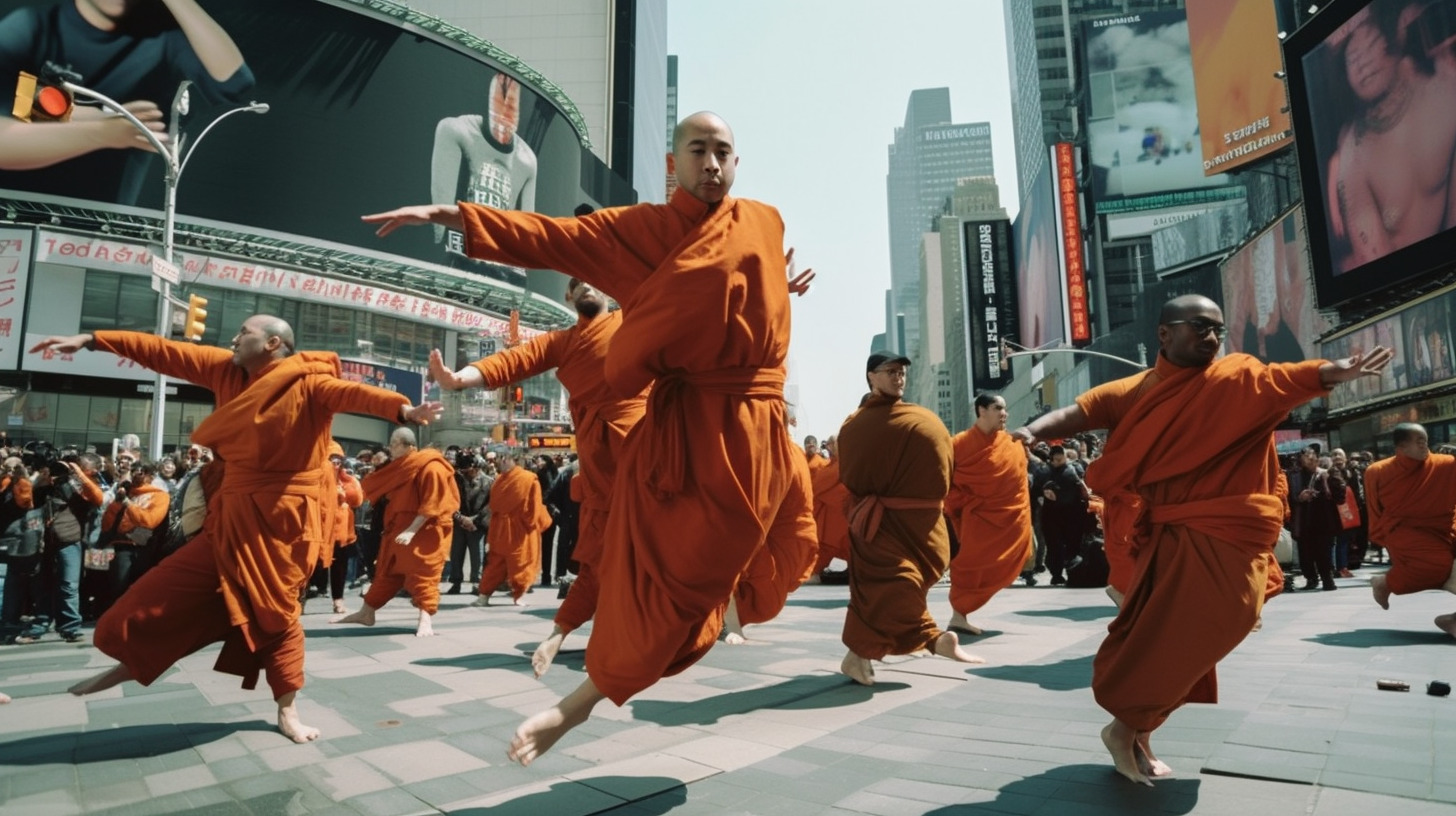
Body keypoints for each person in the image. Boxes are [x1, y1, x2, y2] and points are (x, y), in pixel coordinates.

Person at [363, 110, 817, 766]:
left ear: (737, 163)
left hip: (757, 433)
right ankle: (580, 698)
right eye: (698, 150)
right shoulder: (638, 234)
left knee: (737, 557)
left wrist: (782, 282)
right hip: (680, 439)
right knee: (674, 575)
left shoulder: (762, 223)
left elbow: (746, 299)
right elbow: (550, 239)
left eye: (723, 152)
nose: (712, 164)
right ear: (674, 163)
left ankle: (617, 662)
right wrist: (448, 214)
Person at [1010, 294, 1392, 786]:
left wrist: (1336, 370)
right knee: (1166, 639)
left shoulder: (1237, 378)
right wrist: (1030, 429)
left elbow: (1286, 379)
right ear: (1165, 335)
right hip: (1173, 537)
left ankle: (1132, 726)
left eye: (1216, 329)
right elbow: (1079, 413)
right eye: (1199, 327)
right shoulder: (1136, 390)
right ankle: (1130, 729)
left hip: (1230, 531)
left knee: (1230, 618)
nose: (1211, 338)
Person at [29, 317, 441, 742]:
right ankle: (136, 660)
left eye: (244, 332)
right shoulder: (225, 369)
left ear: (273, 343)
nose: (233, 337)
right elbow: (164, 351)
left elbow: (353, 393)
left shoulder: (308, 381)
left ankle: (288, 710)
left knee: (278, 617)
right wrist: (93, 339)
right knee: (153, 596)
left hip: (285, 524)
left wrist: (403, 409)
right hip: (230, 515)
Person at [429, 276, 647, 670]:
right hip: (600, 470)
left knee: (662, 549)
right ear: (568, 296)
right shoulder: (561, 342)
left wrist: (766, 292)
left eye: (594, 279)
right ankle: (560, 632)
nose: (586, 286)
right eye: (576, 283)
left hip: (646, 456)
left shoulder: (634, 318)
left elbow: (692, 313)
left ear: (609, 289)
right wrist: (460, 378)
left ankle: (647, 631)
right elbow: (514, 360)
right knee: (600, 560)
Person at [0, 0, 256, 204]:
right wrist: (102, 127)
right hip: (13, 213)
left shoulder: (165, 39)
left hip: (97, 230)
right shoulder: (33, 25)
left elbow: (234, 83)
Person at [837, 352, 984, 685]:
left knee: (875, 594)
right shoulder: (855, 426)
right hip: (880, 524)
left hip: (924, 523)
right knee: (897, 583)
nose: (898, 377)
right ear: (871, 377)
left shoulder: (918, 415)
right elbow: (850, 475)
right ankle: (933, 638)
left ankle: (855, 658)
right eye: (890, 371)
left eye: (901, 372)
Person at [1323, 1, 1456, 272]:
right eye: (1353, 59)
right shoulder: (1354, 154)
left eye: (1371, 45)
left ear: (1396, 38)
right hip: (1402, 289)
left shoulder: (1444, 87)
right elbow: (1374, 263)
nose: (1363, 64)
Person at [334, 428, 457, 637]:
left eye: (394, 444)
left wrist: (411, 530)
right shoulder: (403, 467)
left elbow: (433, 503)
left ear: (407, 446)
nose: (390, 448)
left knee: (424, 574)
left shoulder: (431, 466)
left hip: (425, 531)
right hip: (398, 528)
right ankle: (367, 613)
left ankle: (425, 619)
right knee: (387, 572)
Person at [431, 71, 537, 282]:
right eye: (498, 106)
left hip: (499, 265)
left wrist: (518, 273)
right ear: (488, 105)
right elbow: (439, 215)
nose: (504, 117)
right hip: (457, 254)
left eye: (511, 110)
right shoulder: (456, 130)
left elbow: (527, 235)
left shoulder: (527, 160)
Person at [944, 393, 1033, 636]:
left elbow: (1019, 484)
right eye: (998, 408)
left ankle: (959, 616)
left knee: (1010, 561)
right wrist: (964, 503)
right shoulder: (958, 444)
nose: (1005, 413)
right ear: (981, 410)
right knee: (969, 564)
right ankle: (958, 616)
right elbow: (944, 482)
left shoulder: (1013, 443)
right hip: (976, 517)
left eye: (1005, 408)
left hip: (1008, 517)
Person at [1364, 423, 1456, 637]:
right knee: (1437, 564)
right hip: (1404, 531)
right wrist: (1381, 535)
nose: (1425, 447)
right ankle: (1385, 582)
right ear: (1401, 446)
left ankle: (1452, 620)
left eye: (1426, 441)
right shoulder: (1377, 471)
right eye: (1419, 442)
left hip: (1444, 526)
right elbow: (1374, 508)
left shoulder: (1445, 464)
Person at [15, 453, 104, 643]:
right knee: (42, 586)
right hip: (43, 540)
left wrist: (75, 474)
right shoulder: (49, 485)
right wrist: (44, 477)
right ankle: (39, 626)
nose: (70, 468)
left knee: (68, 585)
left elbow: (98, 498)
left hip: (69, 539)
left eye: (80, 465)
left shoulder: (83, 486)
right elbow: (28, 498)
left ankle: (70, 627)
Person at [471, 451, 550, 607]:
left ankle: (517, 595)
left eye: (505, 459)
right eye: (501, 459)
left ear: (516, 460)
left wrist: (531, 522)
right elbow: (495, 506)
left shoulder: (527, 479)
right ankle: (484, 595)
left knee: (519, 562)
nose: (501, 462)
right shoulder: (501, 479)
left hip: (516, 527)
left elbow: (533, 505)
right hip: (508, 528)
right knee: (498, 563)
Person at [1288, 443, 1341, 591]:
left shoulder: (1327, 473)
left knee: (1324, 552)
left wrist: (1329, 483)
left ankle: (1327, 579)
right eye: (1305, 456)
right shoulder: (1294, 475)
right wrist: (1300, 497)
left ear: (1317, 458)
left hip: (1323, 519)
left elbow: (1339, 495)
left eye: (1311, 456)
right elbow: (1289, 496)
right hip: (1303, 520)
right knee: (1305, 553)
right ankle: (1311, 579)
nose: (1308, 459)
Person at [446, 452, 490, 596]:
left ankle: (477, 582)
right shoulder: (454, 480)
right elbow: (449, 500)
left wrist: (474, 519)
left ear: (476, 467)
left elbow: (491, 504)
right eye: (462, 470)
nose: (464, 473)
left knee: (477, 554)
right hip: (459, 521)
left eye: (468, 470)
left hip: (477, 524)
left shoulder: (489, 481)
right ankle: (456, 582)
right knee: (456, 553)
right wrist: (460, 517)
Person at [809, 434, 851, 581]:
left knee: (837, 546)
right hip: (831, 516)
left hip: (840, 516)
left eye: (833, 444)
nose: (829, 447)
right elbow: (816, 487)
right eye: (829, 444)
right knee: (828, 547)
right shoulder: (830, 464)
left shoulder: (843, 465)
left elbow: (816, 487)